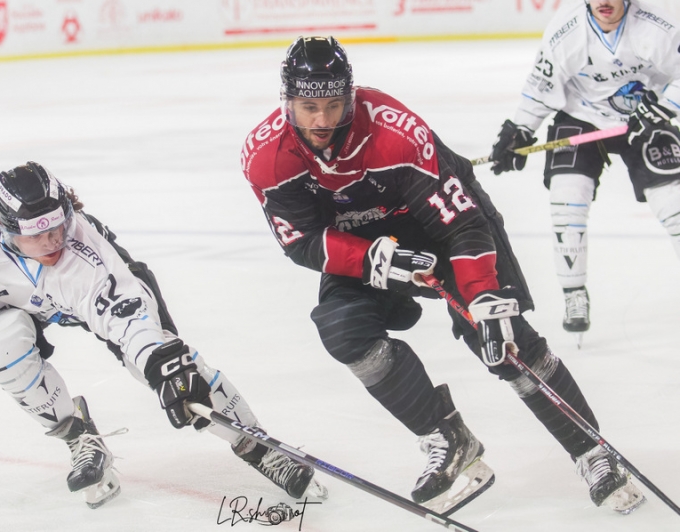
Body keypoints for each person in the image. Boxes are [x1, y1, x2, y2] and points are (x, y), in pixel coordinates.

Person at [239, 36, 645, 514]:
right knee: (343, 328)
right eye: (309, 107)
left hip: (441, 230)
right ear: (286, 101)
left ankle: (593, 451)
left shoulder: (396, 132)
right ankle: (448, 437)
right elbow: (301, 240)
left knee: (501, 339)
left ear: (350, 96)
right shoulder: (266, 156)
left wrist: (485, 299)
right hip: (362, 244)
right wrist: (374, 258)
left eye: (334, 105)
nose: (323, 120)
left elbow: (462, 225)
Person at [0, 161, 325, 508]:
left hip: (88, 294)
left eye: (58, 224)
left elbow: (130, 322)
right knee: (1, 348)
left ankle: (256, 444)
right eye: (36, 233)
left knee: (173, 369)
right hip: (2, 299)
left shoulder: (86, 255)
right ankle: (79, 438)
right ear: (5, 229)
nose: (53, 240)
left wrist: (160, 363)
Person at [489, 0, 680, 338]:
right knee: (567, 202)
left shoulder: (659, 24)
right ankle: (573, 293)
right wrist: (520, 130)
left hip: (645, 118)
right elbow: (540, 88)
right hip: (583, 115)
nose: (603, 2)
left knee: (674, 206)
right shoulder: (566, 31)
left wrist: (665, 107)